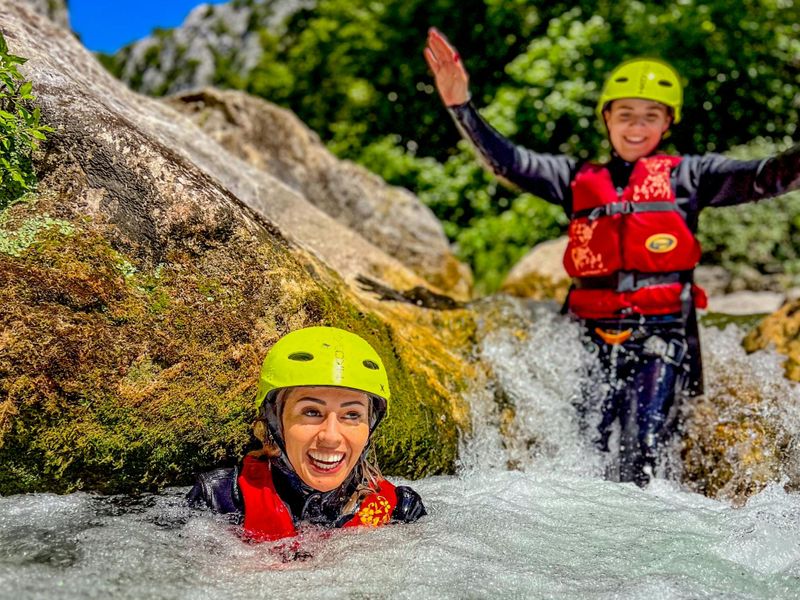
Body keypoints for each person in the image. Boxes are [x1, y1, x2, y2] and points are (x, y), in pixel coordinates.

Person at [424, 28, 800, 486]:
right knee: (586, 451)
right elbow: (510, 161)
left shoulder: (690, 177)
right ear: (606, 118)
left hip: (662, 337)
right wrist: (462, 107)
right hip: (590, 335)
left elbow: (767, 176)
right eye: (626, 115)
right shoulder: (575, 177)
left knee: (641, 452)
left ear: (667, 123)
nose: (636, 127)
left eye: (649, 116)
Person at [188, 326, 426, 541]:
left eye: (352, 415)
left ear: (369, 426)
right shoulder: (220, 499)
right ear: (274, 421)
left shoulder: (400, 511)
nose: (331, 437)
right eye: (311, 412)